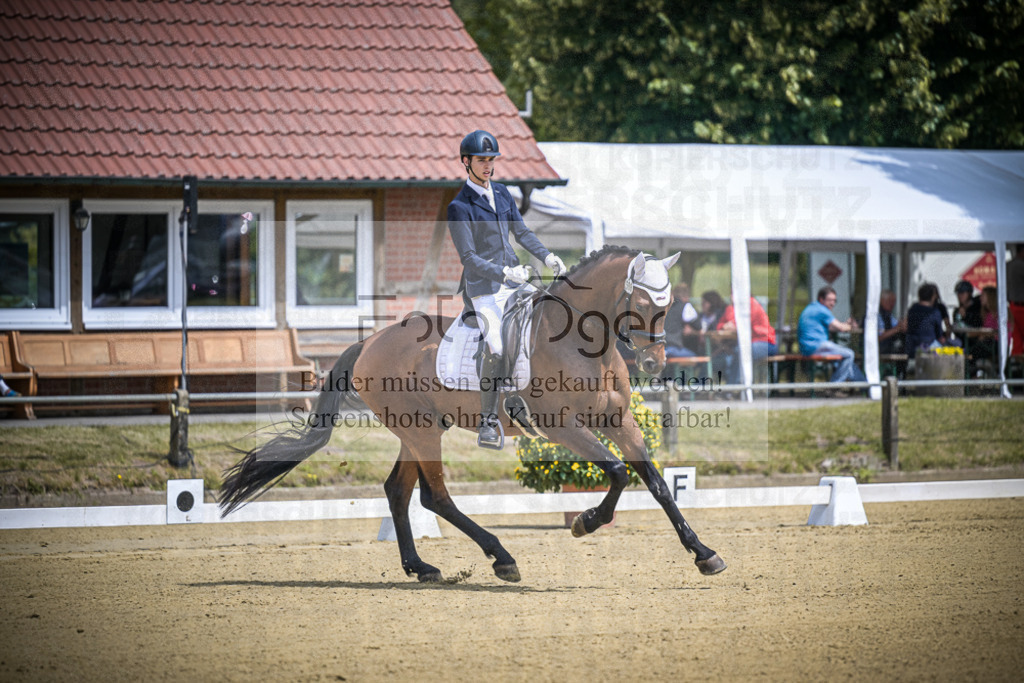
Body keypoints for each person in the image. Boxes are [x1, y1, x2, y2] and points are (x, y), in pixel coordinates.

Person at [447, 129, 565, 448]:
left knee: (544, 322)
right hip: (484, 289)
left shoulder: (501, 194)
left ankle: (530, 398)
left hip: (514, 281)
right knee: (497, 345)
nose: (488, 165)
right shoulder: (460, 207)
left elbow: (522, 233)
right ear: (466, 162)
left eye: (491, 160)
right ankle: (487, 420)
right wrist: (504, 272)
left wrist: (547, 255)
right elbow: (469, 258)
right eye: (482, 160)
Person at [797, 285, 866, 385]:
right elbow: (841, 328)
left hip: (806, 347)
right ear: (821, 299)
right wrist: (853, 326)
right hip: (815, 346)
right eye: (830, 300)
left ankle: (865, 386)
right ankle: (834, 386)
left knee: (844, 361)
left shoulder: (813, 307)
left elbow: (833, 327)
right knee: (850, 354)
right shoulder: (822, 310)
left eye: (834, 300)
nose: (832, 303)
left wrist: (846, 325)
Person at [713, 296, 778, 386]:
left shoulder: (752, 304)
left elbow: (745, 325)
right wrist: (724, 326)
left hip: (765, 343)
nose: (732, 297)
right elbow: (720, 324)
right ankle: (734, 388)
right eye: (731, 293)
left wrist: (734, 326)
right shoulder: (731, 308)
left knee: (742, 351)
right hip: (746, 344)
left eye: (734, 293)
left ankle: (733, 388)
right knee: (730, 355)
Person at [905, 283, 948, 354]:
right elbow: (939, 336)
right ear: (932, 297)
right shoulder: (934, 312)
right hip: (928, 349)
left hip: (912, 348)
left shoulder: (912, 309)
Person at [664, 283, 700, 359]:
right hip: (673, 348)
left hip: (660, 347)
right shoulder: (685, 306)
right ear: (686, 296)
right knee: (696, 356)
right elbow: (698, 325)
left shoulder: (664, 306)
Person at [875, 289, 906, 355]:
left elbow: (896, 324)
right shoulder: (876, 315)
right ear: (882, 301)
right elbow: (879, 337)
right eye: (890, 301)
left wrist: (903, 325)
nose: (893, 304)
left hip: (887, 348)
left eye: (894, 302)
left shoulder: (887, 314)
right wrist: (897, 329)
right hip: (878, 350)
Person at [1007, 244, 1024, 356]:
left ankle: (1016, 365)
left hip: (1012, 306)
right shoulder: (1021, 265)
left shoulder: (1007, 265)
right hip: (1021, 307)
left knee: (1017, 340)